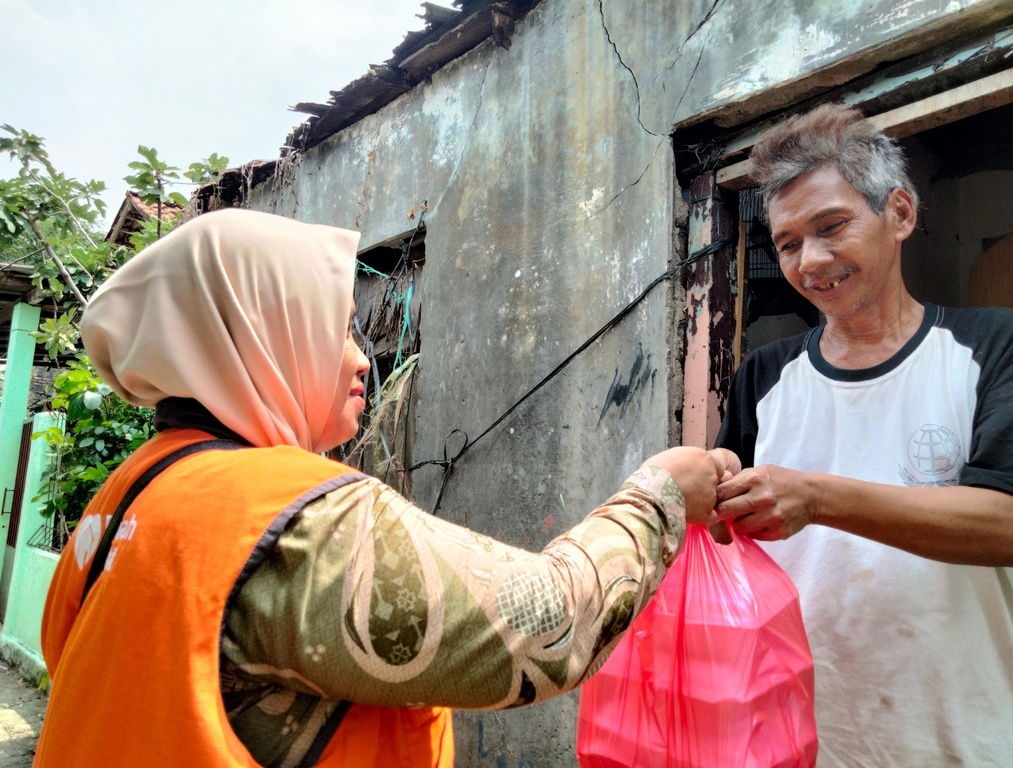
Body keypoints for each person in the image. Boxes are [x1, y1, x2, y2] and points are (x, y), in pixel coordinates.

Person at [33, 208, 740, 768]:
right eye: (338, 330)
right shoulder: (291, 516)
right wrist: (662, 494)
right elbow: (545, 631)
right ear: (259, 335)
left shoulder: (124, 500)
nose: (361, 360)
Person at [714, 103, 1013, 766]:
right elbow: (728, 539)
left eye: (832, 227)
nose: (812, 261)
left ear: (901, 214)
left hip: (967, 742)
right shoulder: (764, 376)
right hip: (800, 741)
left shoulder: (997, 348)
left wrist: (819, 498)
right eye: (789, 243)